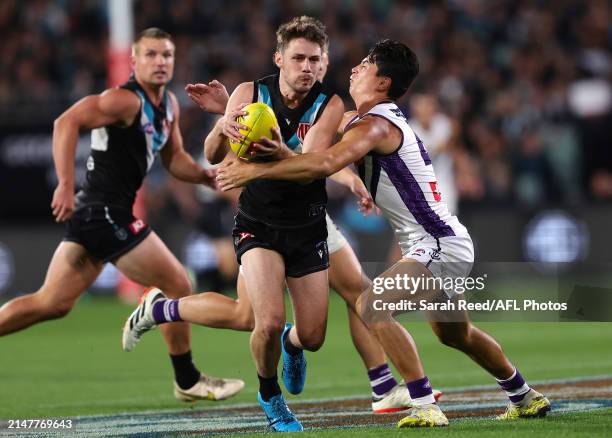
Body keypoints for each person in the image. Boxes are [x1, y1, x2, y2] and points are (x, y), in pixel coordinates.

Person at [216, 39, 551, 428]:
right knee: (456, 334)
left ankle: (424, 403)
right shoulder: (370, 119)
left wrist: (254, 171)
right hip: (441, 241)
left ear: (383, 81)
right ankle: (524, 395)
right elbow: (306, 139)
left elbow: (320, 163)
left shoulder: (375, 124)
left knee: (371, 304)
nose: (355, 69)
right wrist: (227, 115)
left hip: (437, 243)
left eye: (366, 65)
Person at [123, 17, 441, 422]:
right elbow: (213, 155)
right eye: (299, 58)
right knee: (267, 320)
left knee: (310, 336)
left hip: (309, 224)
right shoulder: (250, 93)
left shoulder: (330, 105)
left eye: (314, 59)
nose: (307, 67)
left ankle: (171, 311)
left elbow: (312, 164)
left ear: (323, 63)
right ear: (279, 59)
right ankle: (272, 397)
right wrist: (225, 122)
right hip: (259, 221)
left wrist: (279, 158)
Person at [0, 28, 244, 404]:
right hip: (103, 213)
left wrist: (204, 176)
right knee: (177, 281)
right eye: (150, 55)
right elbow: (65, 123)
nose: (160, 62)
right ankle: (187, 378)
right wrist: (65, 183)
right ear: (134, 61)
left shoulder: (167, 107)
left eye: (166, 55)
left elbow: (173, 158)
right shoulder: (124, 100)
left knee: (51, 303)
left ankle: (186, 378)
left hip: (95, 218)